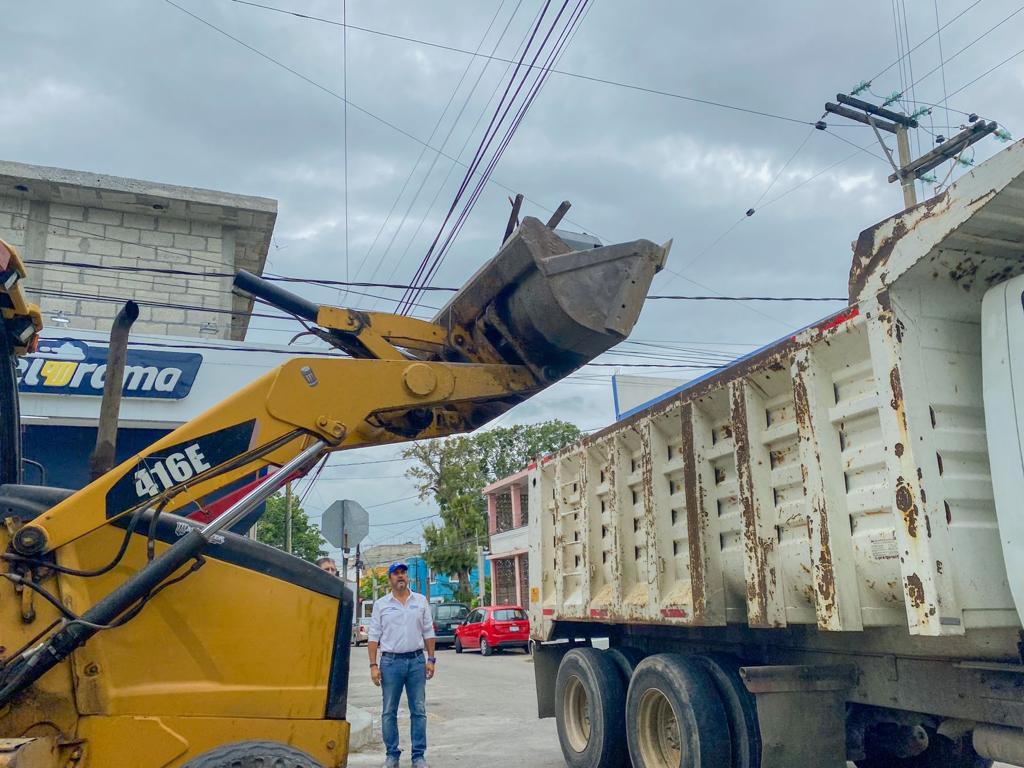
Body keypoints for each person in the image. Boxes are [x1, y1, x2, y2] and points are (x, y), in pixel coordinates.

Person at [367, 562, 436, 768]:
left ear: (408, 577)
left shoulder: (421, 601)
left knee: (419, 710)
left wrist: (431, 659)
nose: (400, 576)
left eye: (403, 573)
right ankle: (392, 755)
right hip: (390, 663)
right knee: (389, 711)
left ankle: (418, 756)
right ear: (389, 579)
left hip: (416, 661)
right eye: (396, 573)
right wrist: (373, 665)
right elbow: (373, 636)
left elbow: (428, 632)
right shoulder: (381, 604)